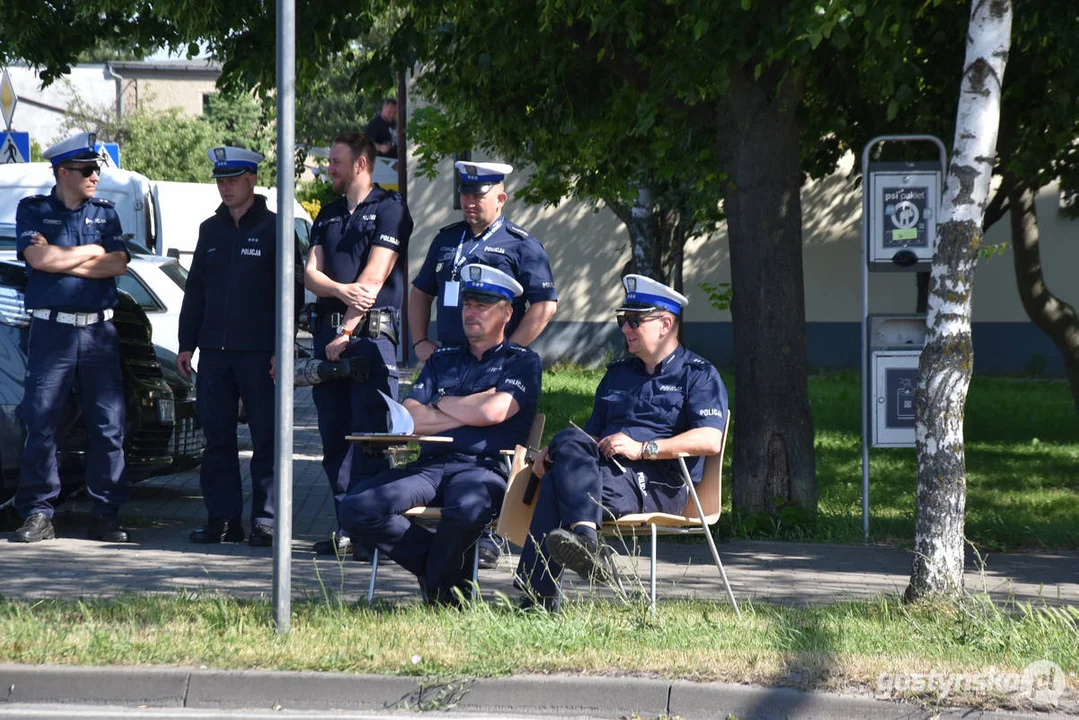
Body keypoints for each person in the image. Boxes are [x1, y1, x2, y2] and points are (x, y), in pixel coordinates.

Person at [514, 275, 729, 609]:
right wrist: (555, 450)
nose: (625, 329)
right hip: (606, 472)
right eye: (622, 320)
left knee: (559, 481)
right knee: (566, 444)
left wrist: (644, 449)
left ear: (665, 323)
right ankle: (586, 539)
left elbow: (710, 438)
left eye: (634, 321)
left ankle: (536, 598)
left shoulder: (698, 375)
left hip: (660, 482)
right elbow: (588, 438)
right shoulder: (617, 374)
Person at [340, 264, 542, 605]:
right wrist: (467, 409)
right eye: (467, 304)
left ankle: (438, 582)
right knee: (357, 507)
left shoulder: (521, 362)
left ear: (507, 312)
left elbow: (494, 412)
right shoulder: (442, 359)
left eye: (482, 304)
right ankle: (441, 574)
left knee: (467, 509)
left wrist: (440, 404)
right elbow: (411, 419)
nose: (471, 311)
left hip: (484, 469)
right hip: (431, 466)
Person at [409, 159, 558, 569]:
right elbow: (421, 291)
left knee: (484, 441)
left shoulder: (520, 244)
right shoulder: (446, 240)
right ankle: (448, 530)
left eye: (479, 195)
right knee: (440, 427)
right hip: (449, 366)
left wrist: (509, 350)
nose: (469, 202)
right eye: (465, 194)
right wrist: (421, 341)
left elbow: (545, 303)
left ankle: (483, 529)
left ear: (501, 197)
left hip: (493, 365)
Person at [10, 132, 131, 544]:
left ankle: (106, 514)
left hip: (99, 331)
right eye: (87, 170)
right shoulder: (33, 210)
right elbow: (38, 259)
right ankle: (38, 513)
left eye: (96, 168)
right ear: (63, 172)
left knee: (108, 426)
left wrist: (61, 262)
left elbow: (117, 264)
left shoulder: (106, 213)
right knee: (41, 422)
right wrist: (89, 254)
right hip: (51, 331)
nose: (95, 175)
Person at [178, 146, 297, 548]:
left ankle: (266, 521)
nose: (225, 188)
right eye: (220, 181)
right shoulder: (209, 230)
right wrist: (185, 343)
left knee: (266, 439)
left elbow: (291, 293)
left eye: (232, 180)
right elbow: (195, 289)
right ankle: (223, 520)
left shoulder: (276, 228)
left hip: (259, 353)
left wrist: (284, 346)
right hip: (214, 353)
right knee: (217, 441)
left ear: (251, 180)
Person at [304, 130, 413, 557]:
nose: (328, 168)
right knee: (333, 439)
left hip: (368, 339)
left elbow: (373, 279)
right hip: (328, 335)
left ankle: (375, 533)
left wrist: (346, 331)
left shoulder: (390, 209)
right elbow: (310, 274)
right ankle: (345, 529)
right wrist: (338, 290)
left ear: (360, 165)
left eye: (335, 161)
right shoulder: (329, 213)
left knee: (371, 439)